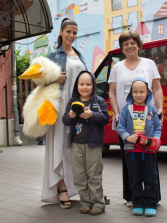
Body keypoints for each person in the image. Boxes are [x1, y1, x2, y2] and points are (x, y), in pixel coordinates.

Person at [108, 30, 163, 207]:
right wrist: (117, 113)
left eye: (132, 43)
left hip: (147, 119)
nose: (129, 46)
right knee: (129, 159)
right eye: (125, 44)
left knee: (149, 158)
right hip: (126, 120)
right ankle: (132, 196)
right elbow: (112, 93)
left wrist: (160, 108)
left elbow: (156, 88)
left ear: (138, 45)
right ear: (122, 48)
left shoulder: (148, 64)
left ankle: (152, 196)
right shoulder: (117, 67)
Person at [41, 18, 87, 208]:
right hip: (60, 106)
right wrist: (53, 78)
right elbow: (41, 83)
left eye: (75, 32)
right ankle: (61, 188)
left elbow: (85, 80)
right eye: (68, 31)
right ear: (61, 32)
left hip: (77, 106)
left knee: (75, 148)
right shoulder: (53, 55)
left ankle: (80, 187)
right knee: (60, 146)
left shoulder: (79, 54)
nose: (71, 36)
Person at [62, 71, 109, 215]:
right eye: (81, 84)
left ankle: (98, 203)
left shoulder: (99, 101)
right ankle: (85, 202)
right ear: (77, 85)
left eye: (88, 84)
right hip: (76, 144)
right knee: (79, 175)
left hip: (93, 145)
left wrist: (92, 115)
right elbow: (64, 120)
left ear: (93, 85)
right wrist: (69, 116)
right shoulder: (72, 102)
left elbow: (106, 119)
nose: (84, 87)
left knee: (94, 174)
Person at [117, 78, 162, 217]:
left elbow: (157, 128)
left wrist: (155, 139)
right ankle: (137, 203)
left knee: (150, 178)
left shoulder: (152, 110)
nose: (138, 94)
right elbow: (120, 127)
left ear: (147, 92)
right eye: (135, 92)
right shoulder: (126, 109)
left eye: (141, 91)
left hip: (148, 152)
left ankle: (150, 203)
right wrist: (126, 137)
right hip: (131, 152)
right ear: (131, 93)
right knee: (134, 178)